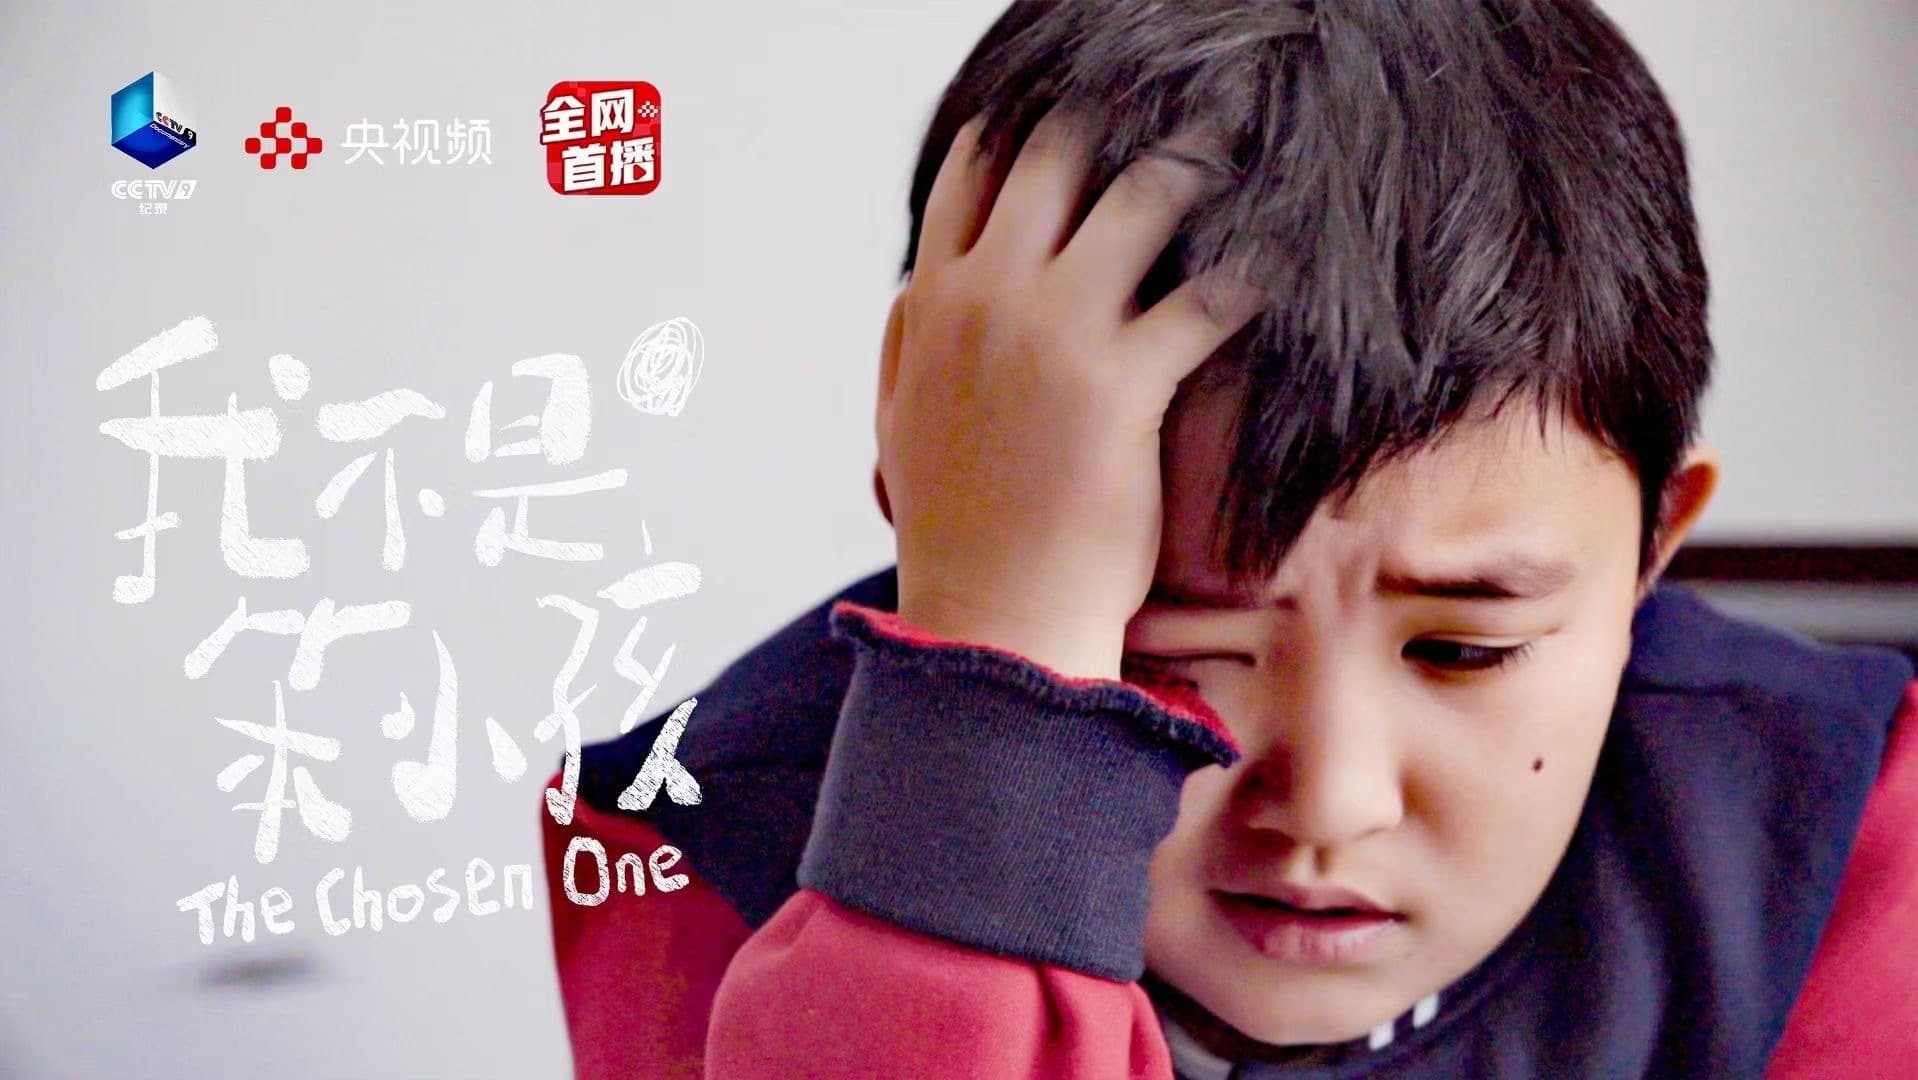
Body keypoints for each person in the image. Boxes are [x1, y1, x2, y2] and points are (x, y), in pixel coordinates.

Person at [540, 2, 1918, 1075]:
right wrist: (993, 717)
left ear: (1651, 552)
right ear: (939, 505)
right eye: (1162, 653)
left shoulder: (1836, 841)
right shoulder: (705, 843)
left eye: (1462, 649)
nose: (1327, 805)